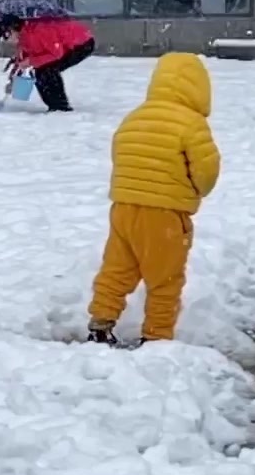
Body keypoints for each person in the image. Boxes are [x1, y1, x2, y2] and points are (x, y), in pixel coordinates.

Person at [87, 52, 221, 347]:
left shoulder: (135, 117)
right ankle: (157, 336)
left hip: (123, 208)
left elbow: (120, 155)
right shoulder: (192, 123)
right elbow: (207, 171)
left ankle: (100, 322)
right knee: (165, 279)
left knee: (117, 268)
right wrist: (195, 189)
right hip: (165, 214)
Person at [0, 0, 95, 112]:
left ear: (13, 29)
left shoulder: (39, 30)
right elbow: (28, 55)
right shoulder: (23, 37)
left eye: (6, 36)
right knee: (43, 70)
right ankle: (56, 105)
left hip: (82, 43)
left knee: (46, 70)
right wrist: (16, 71)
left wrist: (30, 61)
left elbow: (56, 54)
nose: (6, 41)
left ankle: (60, 106)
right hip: (64, 46)